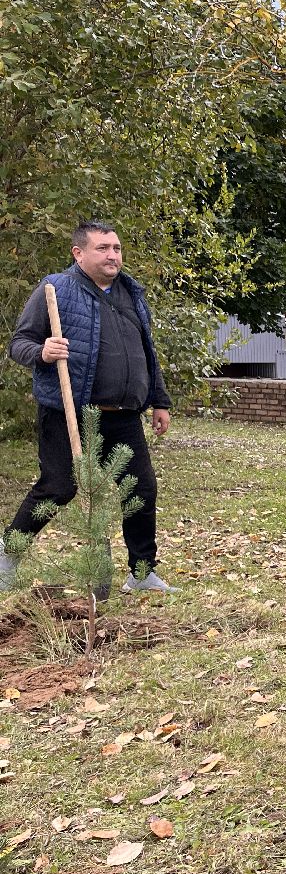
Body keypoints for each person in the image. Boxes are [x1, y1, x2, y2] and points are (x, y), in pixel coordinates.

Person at [0, 221, 175, 594]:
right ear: (78, 253)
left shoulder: (131, 292)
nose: (113, 255)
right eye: (102, 248)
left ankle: (141, 574)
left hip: (124, 414)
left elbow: (147, 353)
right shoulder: (55, 289)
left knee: (140, 490)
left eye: (116, 247)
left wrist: (159, 400)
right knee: (58, 487)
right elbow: (19, 343)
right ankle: (8, 556)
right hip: (68, 412)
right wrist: (42, 352)